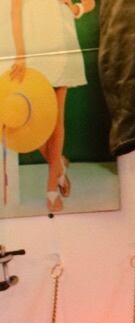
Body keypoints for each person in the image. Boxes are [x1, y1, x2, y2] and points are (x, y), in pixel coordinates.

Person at [1, 0, 93, 213]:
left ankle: (52, 189)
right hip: (33, 47)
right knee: (26, 119)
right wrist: (21, 54)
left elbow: (89, 3)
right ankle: (58, 164)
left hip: (62, 42)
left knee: (56, 120)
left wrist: (76, 9)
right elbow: (15, 10)